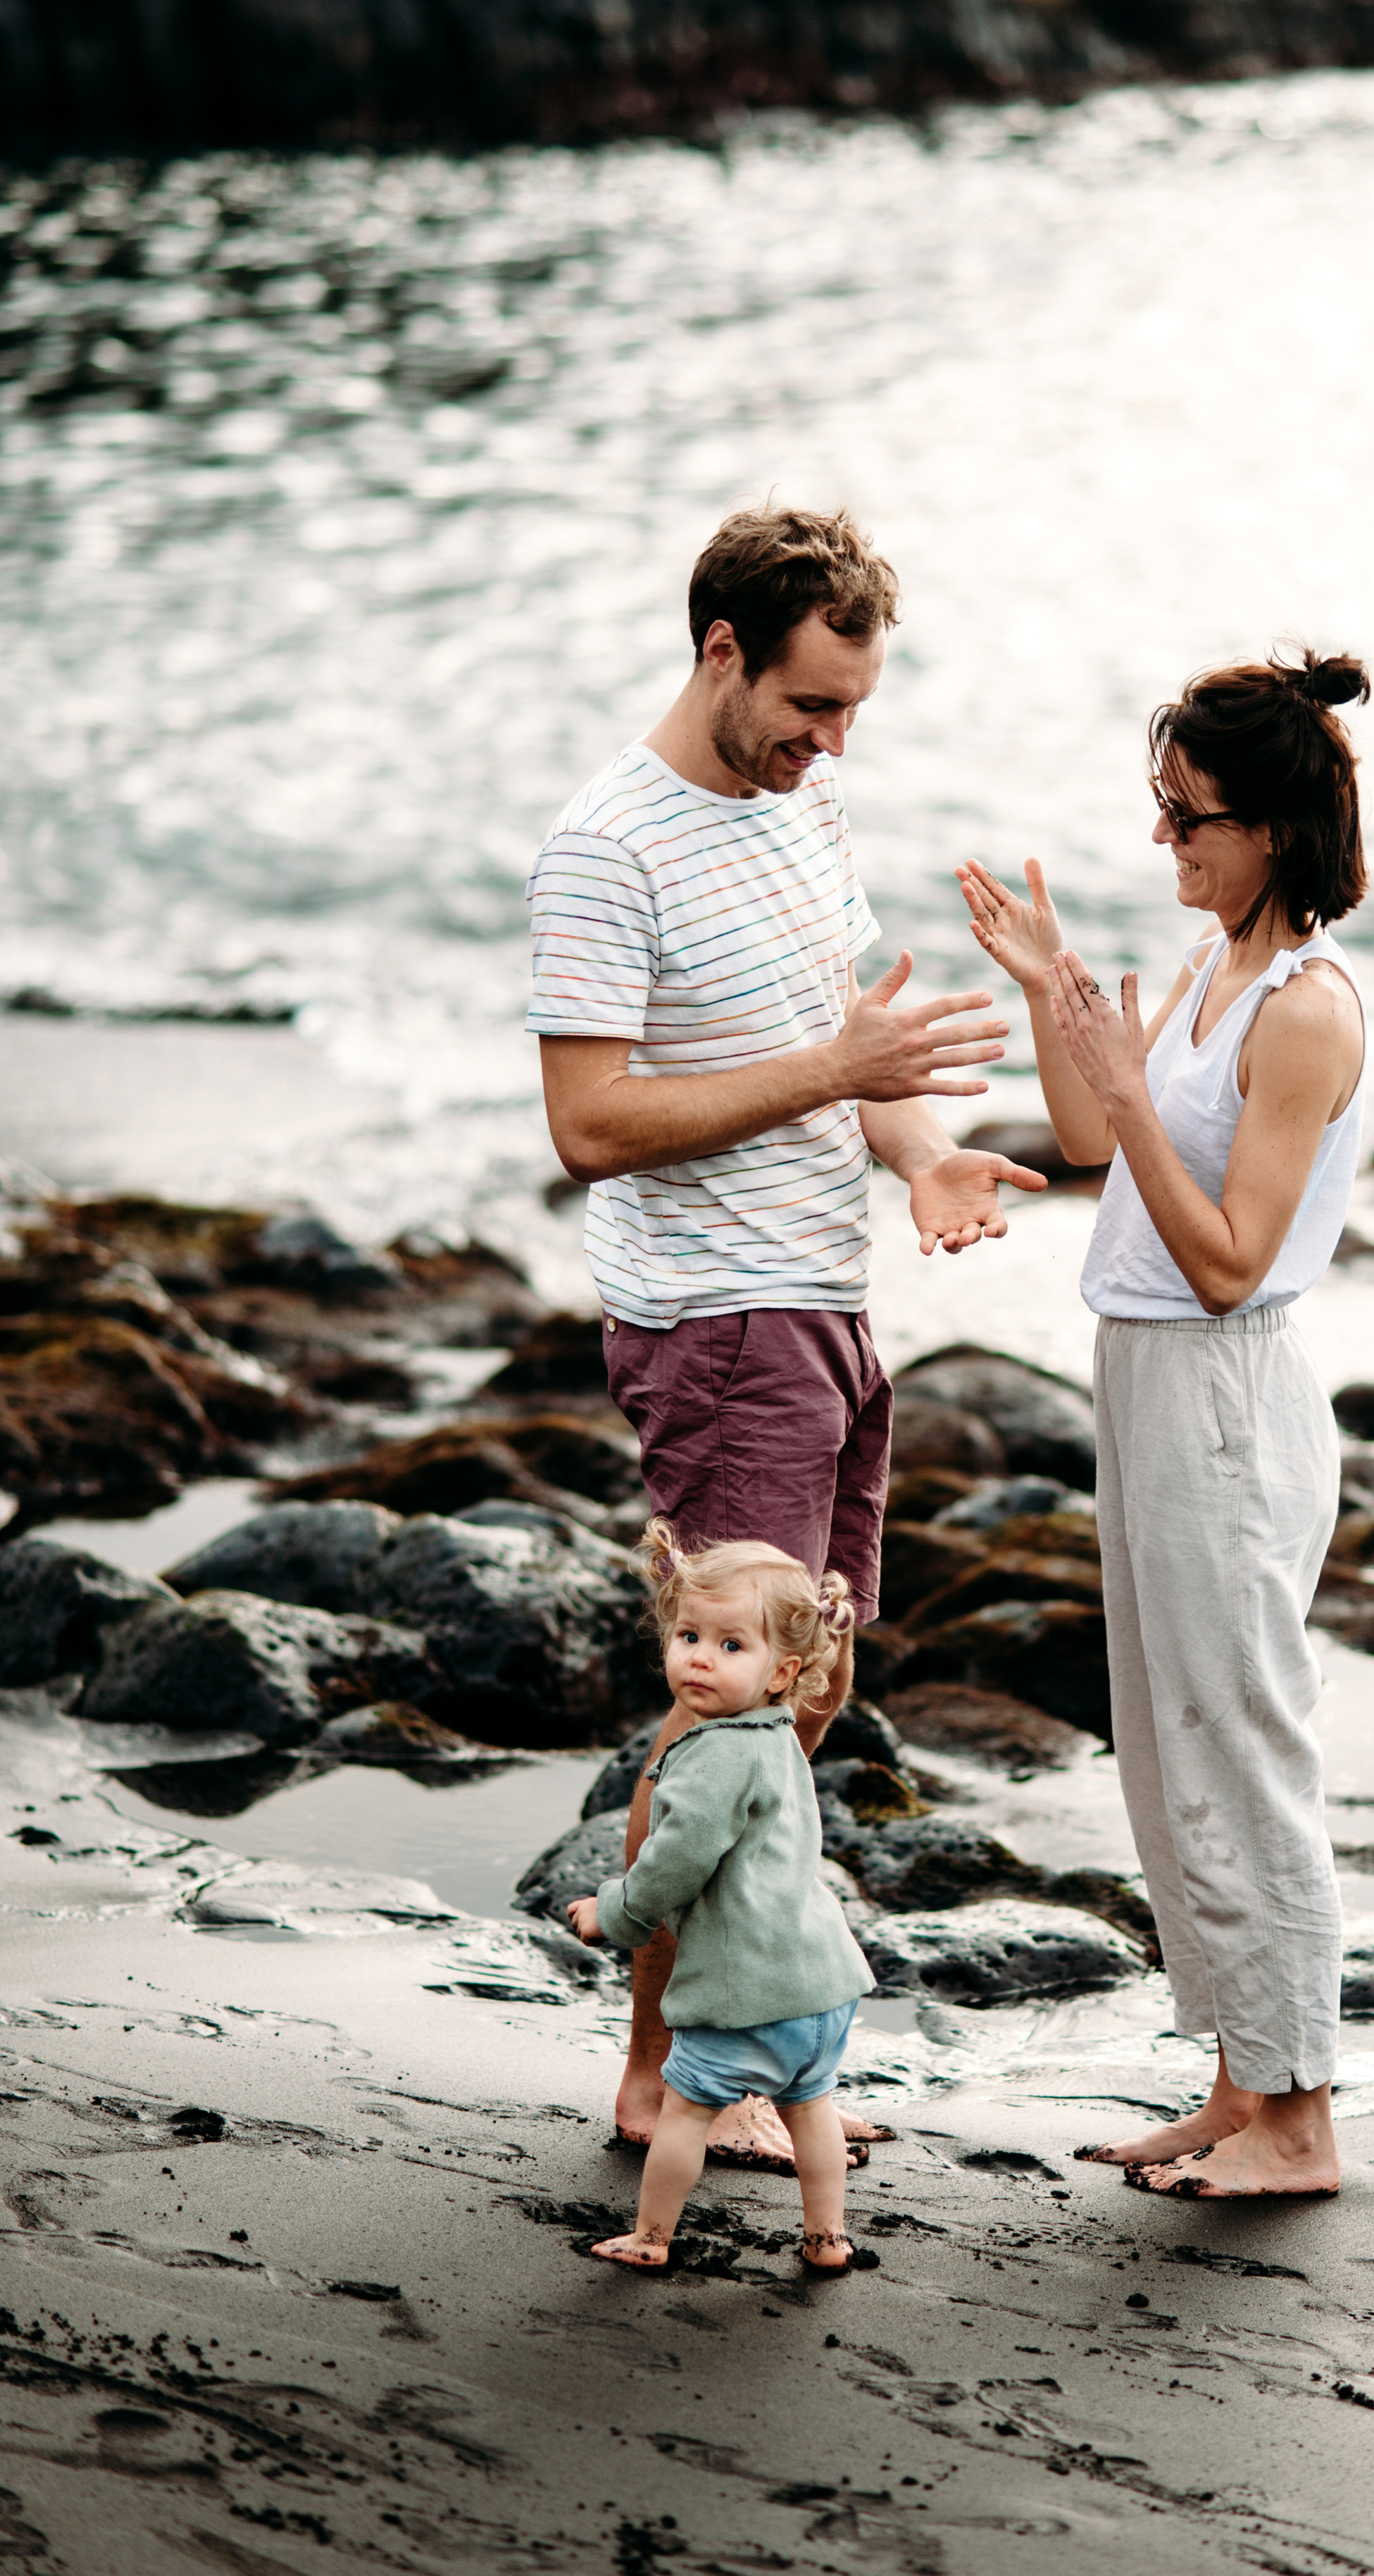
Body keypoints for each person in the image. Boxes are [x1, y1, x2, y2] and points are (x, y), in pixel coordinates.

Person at [529, 504, 1045, 2170]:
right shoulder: (605, 848)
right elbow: (591, 1125)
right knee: (730, 1717)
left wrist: (918, 1156)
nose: (829, 743)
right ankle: (662, 2078)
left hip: (819, 1300)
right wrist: (837, 1074)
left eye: (854, 712)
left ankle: (719, 2050)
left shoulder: (801, 800)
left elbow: (844, 1053)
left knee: (800, 1700)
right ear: (718, 651)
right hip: (715, 1323)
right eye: (809, 706)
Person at [956, 647, 1370, 2201]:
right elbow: (1085, 1143)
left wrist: (1126, 1091)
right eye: (1159, 809)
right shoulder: (1205, 969)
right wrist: (1051, 992)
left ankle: (1303, 2122)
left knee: (1242, 1747)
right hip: (1138, 1375)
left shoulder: (1305, 1013)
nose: (1163, 842)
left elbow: (1226, 1264)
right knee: (1166, 1741)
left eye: (1186, 817)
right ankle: (1235, 2081)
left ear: (1267, 828)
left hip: (1225, 1390)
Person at [569, 1524, 873, 2275]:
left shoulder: (713, 1757)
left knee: (684, 2112)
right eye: (689, 1634)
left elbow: (674, 1864)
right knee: (812, 2112)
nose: (700, 1656)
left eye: (731, 1645)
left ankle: (650, 2235)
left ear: (782, 1670)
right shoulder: (779, 1739)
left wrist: (613, 1912)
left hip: (749, 1992)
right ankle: (826, 2236)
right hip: (823, 1984)